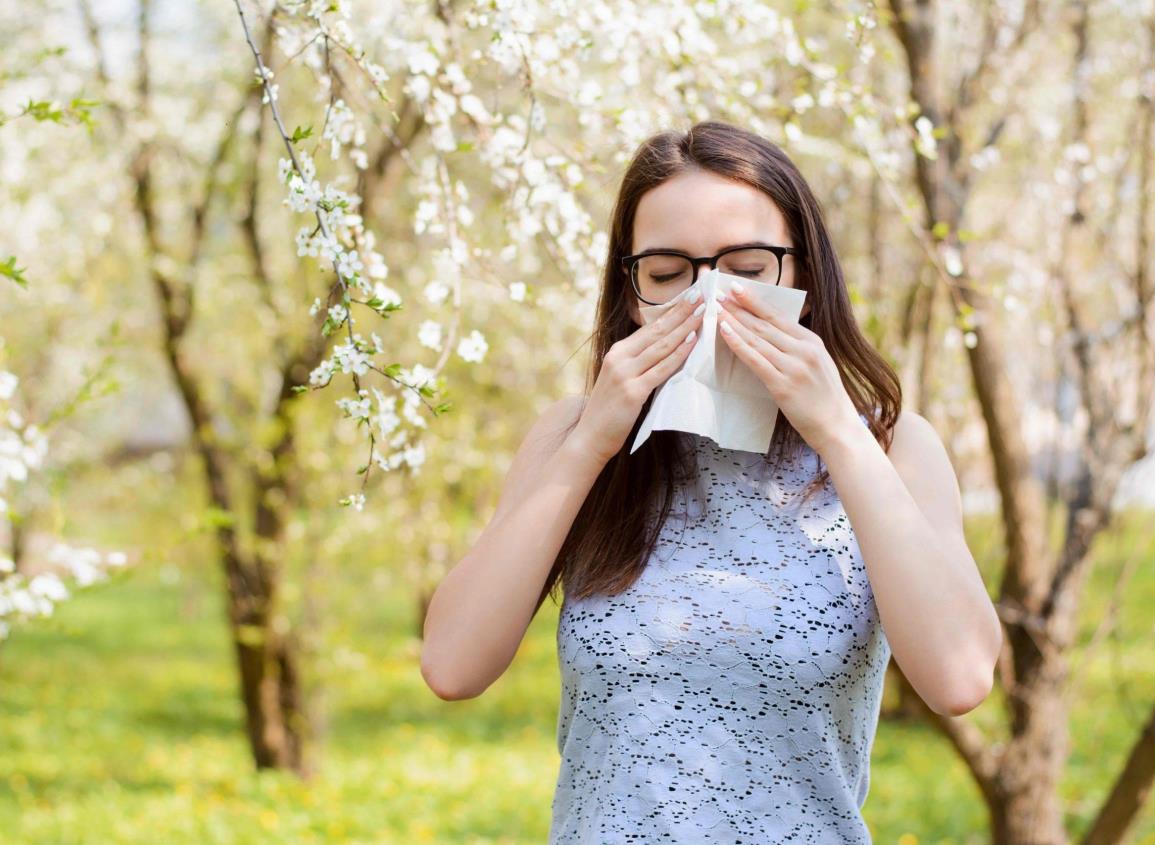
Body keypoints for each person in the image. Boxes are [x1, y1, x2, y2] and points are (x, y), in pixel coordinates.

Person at [420, 120, 1002, 843]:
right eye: (668, 275)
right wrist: (591, 443)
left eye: (746, 269)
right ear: (631, 292)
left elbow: (959, 678)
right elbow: (451, 664)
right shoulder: (576, 439)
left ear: (805, 275)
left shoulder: (892, 447)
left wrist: (837, 435)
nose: (707, 304)